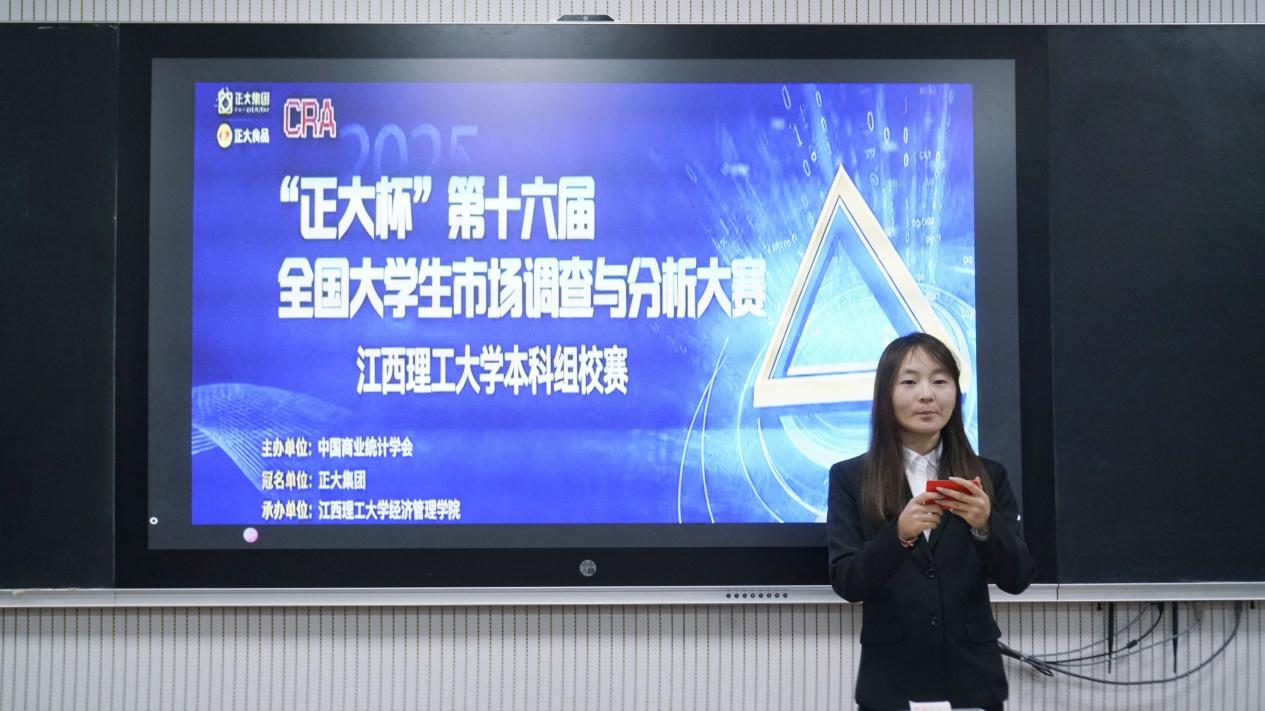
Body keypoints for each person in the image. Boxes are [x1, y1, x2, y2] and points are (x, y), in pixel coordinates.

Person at [827, 332, 1035, 711]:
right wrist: (898, 535)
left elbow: (1018, 578)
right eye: (909, 382)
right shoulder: (851, 477)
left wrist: (985, 526)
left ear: (955, 393)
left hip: (972, 681)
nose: (927, 395)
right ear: (886, 395)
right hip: (891, 683)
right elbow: (847, 581)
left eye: (940, 381)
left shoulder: (988, 476)